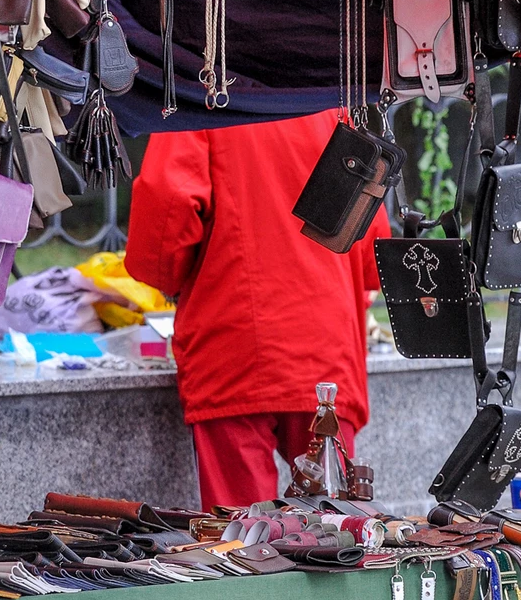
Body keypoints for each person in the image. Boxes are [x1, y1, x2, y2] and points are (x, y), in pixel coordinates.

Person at [125, 110, 388, 510]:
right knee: (337, 524)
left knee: (242, 531)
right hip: (327, 343)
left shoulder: (203, 96)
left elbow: (167, 197)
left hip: (233, 341)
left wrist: (165, 275)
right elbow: (371, 239)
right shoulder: (332, 99)